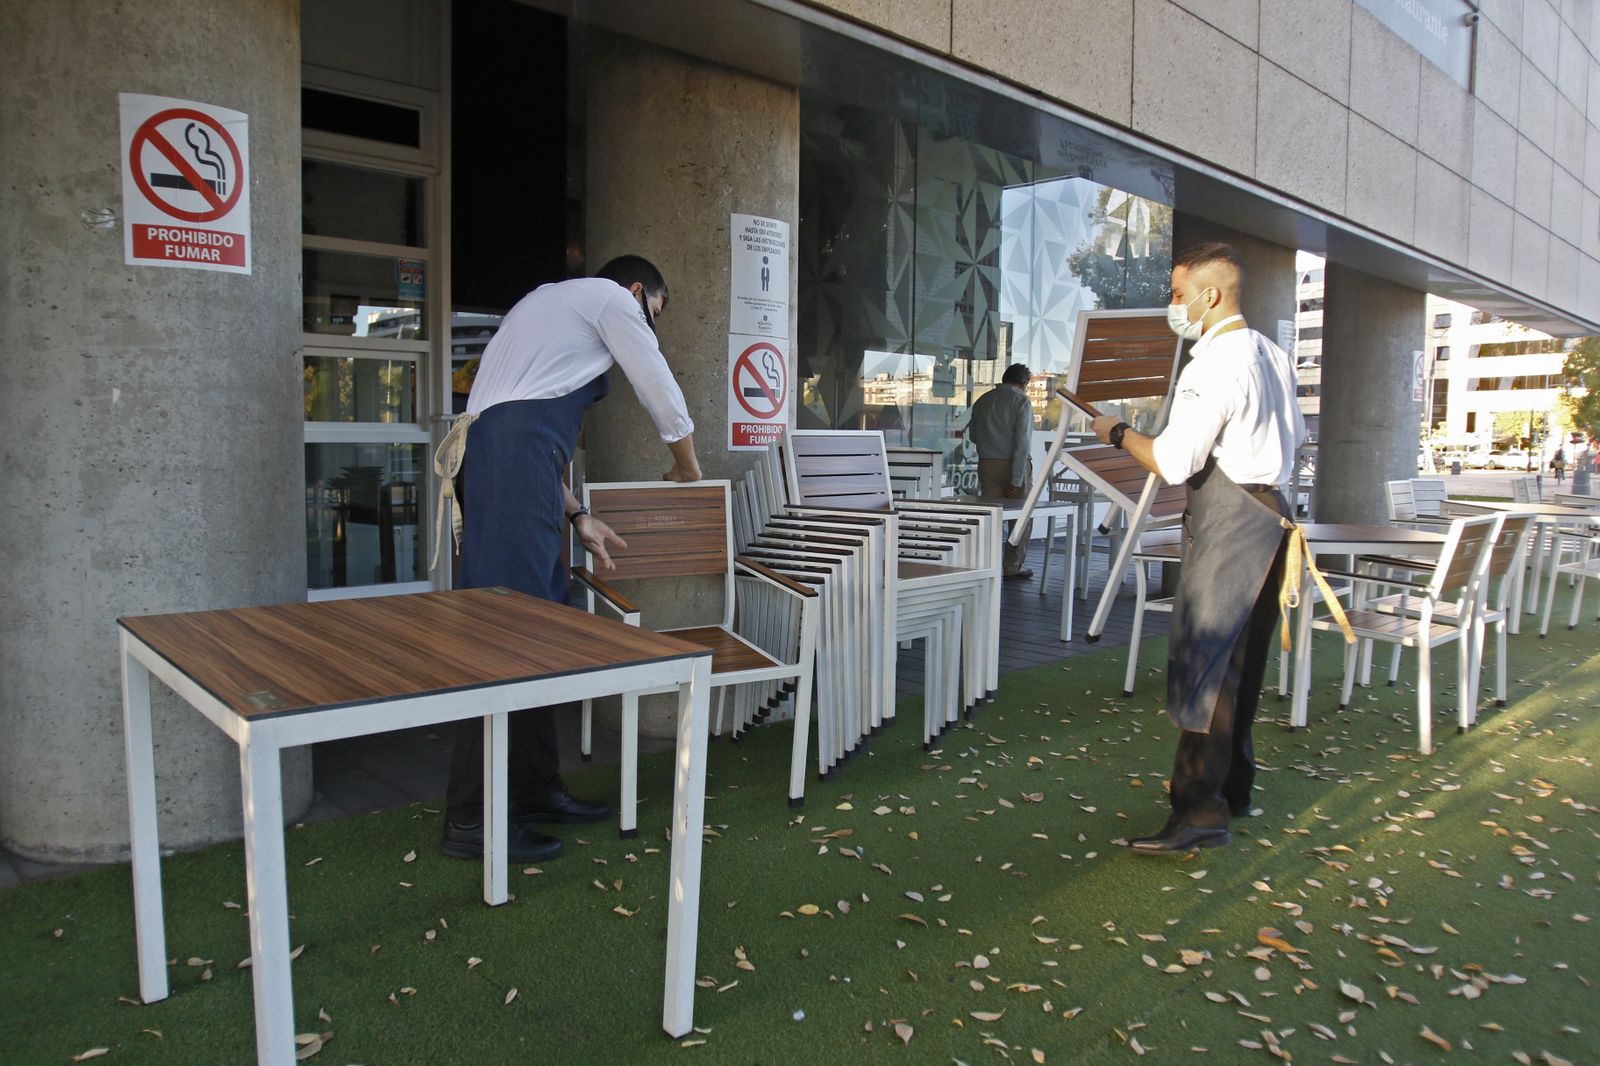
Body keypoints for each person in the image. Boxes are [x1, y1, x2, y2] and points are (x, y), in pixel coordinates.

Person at [434, 255, 702, 863]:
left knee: (538, 633)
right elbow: (657, 382)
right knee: (503, 641)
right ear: (638, 292)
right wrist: (687, 466)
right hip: (512, 461)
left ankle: (532, 789)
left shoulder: (548, 307)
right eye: (652, 314)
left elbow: (518, 424)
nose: (648, 325)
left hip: (513, 462)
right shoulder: (610, 298)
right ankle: (472, 819)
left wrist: (577, 515)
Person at [1089, 242, 1305, 855]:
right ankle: (1234, 789)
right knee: (1242, 666)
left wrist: (1117, 432)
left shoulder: (1212, 363)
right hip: (1273, 515)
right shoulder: (1273, 354)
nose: (1172, 305)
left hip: (1232, 521)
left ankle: (1198, 811)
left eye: (1178, 294)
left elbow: (1174, 461)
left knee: (1207, 667)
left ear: (1211, 295)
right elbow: (1296, 437)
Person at [970, 362, 1037, 579]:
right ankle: (1012, 567)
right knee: (1021, 518)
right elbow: (1022, 443)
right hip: (1013, 464)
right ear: (1024, 382)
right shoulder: (1021, 401)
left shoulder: (983, 400)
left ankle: (987, 565)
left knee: (991, 517)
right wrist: (1016, 479)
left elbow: (972, 435)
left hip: (987, 463)